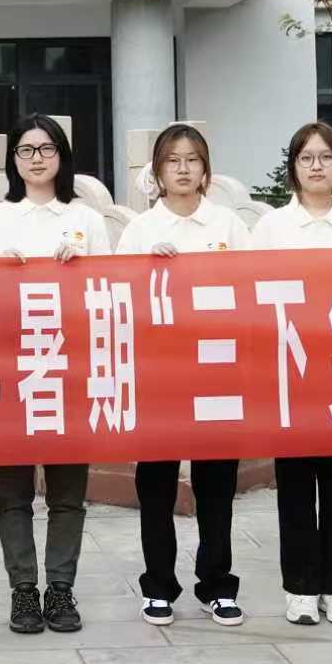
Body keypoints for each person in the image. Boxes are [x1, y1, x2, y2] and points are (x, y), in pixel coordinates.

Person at [0, 114, 111, 635]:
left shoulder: (86, 219)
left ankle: (61, 588)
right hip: (11, 371)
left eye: (46, 149)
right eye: (25, 150)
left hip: (71, 371)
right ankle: (23, 589)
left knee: (68, 492)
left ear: (62, 155)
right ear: (14, 160)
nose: (36, 159)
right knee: (14, 493)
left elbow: (112, 293)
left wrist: (84, 267)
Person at [117, 122, 252, 628]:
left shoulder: (228, 226)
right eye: (172, 160)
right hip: (159, 374)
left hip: (217, 370)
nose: (182, 168)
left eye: (192, 159)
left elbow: (252, 288)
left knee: (216, 484)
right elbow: (117, 298)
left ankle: (217, 584)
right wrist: (147, 268)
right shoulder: (140, 230)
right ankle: (158, 586)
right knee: (156, 485)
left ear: (205, 170)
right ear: (157, 171)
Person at [248, 122, 332, 628]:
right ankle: (300, 587)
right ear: (294, 168)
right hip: (291, 374)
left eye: (326, 157)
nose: (316, 166)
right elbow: (250, 294)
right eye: (306, 158)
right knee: (296, 488)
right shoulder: (271, 228)